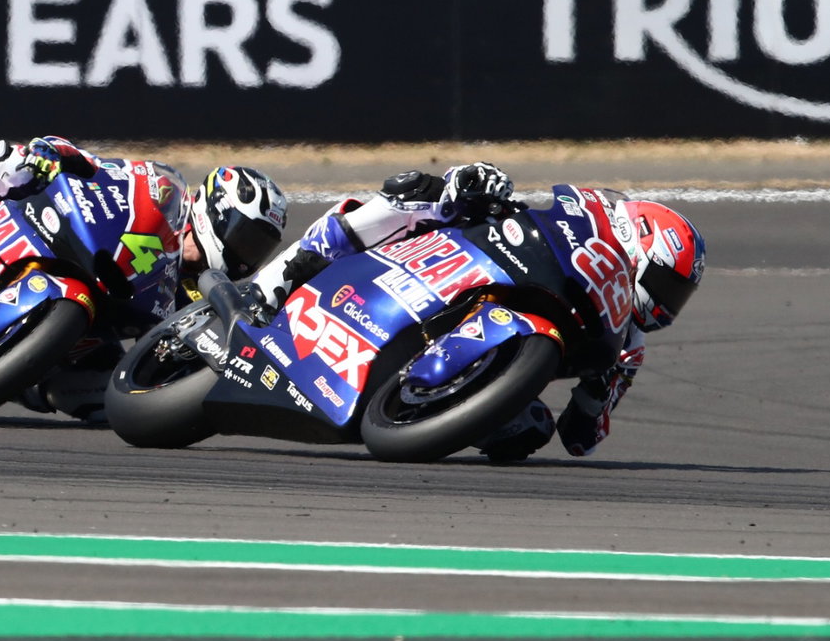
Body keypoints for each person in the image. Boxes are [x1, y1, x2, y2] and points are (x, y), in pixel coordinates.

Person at [249, 161, 704, 462]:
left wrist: (601, 387)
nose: (665, 303)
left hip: (493, 365)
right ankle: (278, 280)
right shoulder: (584, 223)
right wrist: (475, 187)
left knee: (531, 429)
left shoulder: (627, 345)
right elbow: (508, 205)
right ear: (639, 244)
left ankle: (424, 402)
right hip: (457, 262)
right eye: (667, 284)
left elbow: (580, 437)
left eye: (676, 295)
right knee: (413, 194)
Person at [0, 135, 288, 419]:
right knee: (1, 158)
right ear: (215, 211)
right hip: (47, 236)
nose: (245, 255)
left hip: (85, 327)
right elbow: (99, 166)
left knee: (103, 407)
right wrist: (53, 155)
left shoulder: (199, 293)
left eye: (257, 248)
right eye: (244, 237)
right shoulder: (161, 189)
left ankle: (15, 378)